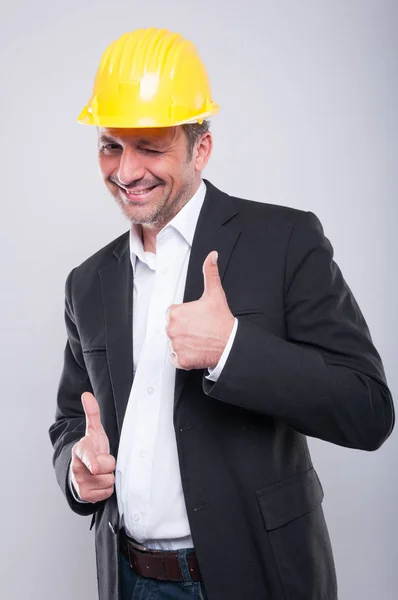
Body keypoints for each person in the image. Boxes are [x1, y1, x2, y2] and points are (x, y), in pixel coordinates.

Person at [49, 27, 394, 600]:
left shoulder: (283, 241)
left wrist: (232, 349)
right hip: (129, 580)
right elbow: (69, 422)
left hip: (252, 579)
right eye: (111, 145)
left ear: (200, 148)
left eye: (151, 147)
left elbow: (368, 409)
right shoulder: (87, 282)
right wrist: (76, 471)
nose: (126, 171)